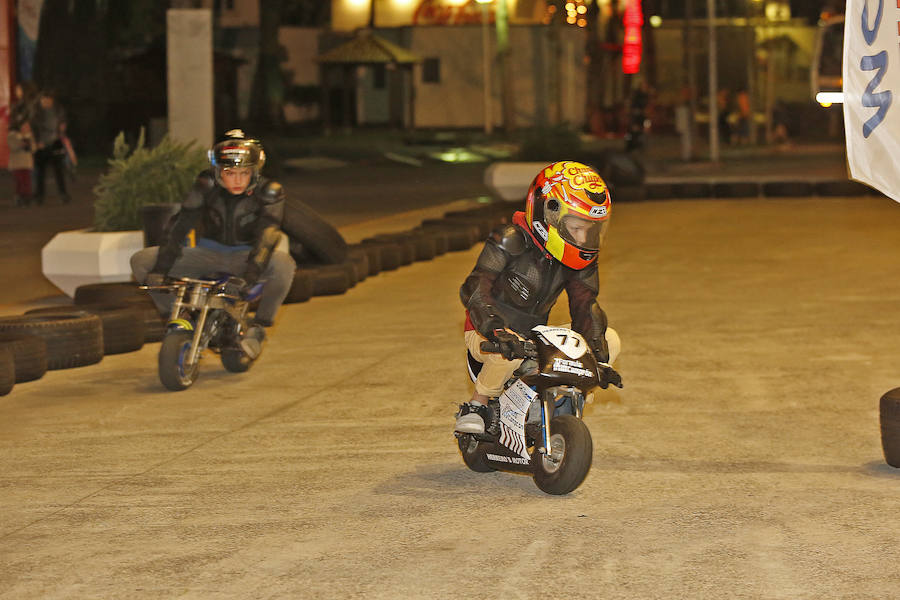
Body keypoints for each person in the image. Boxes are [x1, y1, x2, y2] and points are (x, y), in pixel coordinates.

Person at [455, 161, 622, 434]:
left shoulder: (578, 260)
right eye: (576, 228)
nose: (583, 238)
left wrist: (597, 358)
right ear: (549, 214)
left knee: (610, 339)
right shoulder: (509, 240)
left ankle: (569, 400)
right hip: (485, 331)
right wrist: (495, 329)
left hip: (534, 334)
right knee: (505, 357)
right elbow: (473, 288)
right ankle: (477, 405)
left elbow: (585, 304)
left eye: (590, 230)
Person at [130, 129, 297, 359]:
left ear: (254, 172)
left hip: (248, 257)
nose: (237, 180)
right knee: (141, 261)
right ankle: (180, 319)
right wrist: (161, 268)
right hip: (207, 252)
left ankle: (259, 327)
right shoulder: (206, 185)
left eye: (244, 173)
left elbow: (268, 236)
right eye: (230, 172)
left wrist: (247, 278)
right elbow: (180, 223)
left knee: (284, 265)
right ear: (218, 172)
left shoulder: (269, 192)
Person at [30, 90, 70, 205]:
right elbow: (32, 127)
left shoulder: (58, 110)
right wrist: (37, 141)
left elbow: (63, 121)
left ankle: (63, 194)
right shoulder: (36, 112)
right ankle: (39, 196)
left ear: (52, 100)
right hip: (41, 145)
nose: (46, 103)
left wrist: (62, 127)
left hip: (55, 143)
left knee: (59, 171)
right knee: (40, 172)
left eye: (48, 100)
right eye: (43, 100)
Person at [7, 117, 35, 207]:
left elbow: (34, 148)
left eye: (28, 126)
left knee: (26, 181)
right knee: (20, 181)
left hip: (27, 163)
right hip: (17, 163)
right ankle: (19, 197)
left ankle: (26, 198)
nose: (27, 128)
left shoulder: (30, 136)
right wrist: (21, 144)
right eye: (25, 126)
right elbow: (13, 147)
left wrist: (30, 144)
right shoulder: (12, 135)